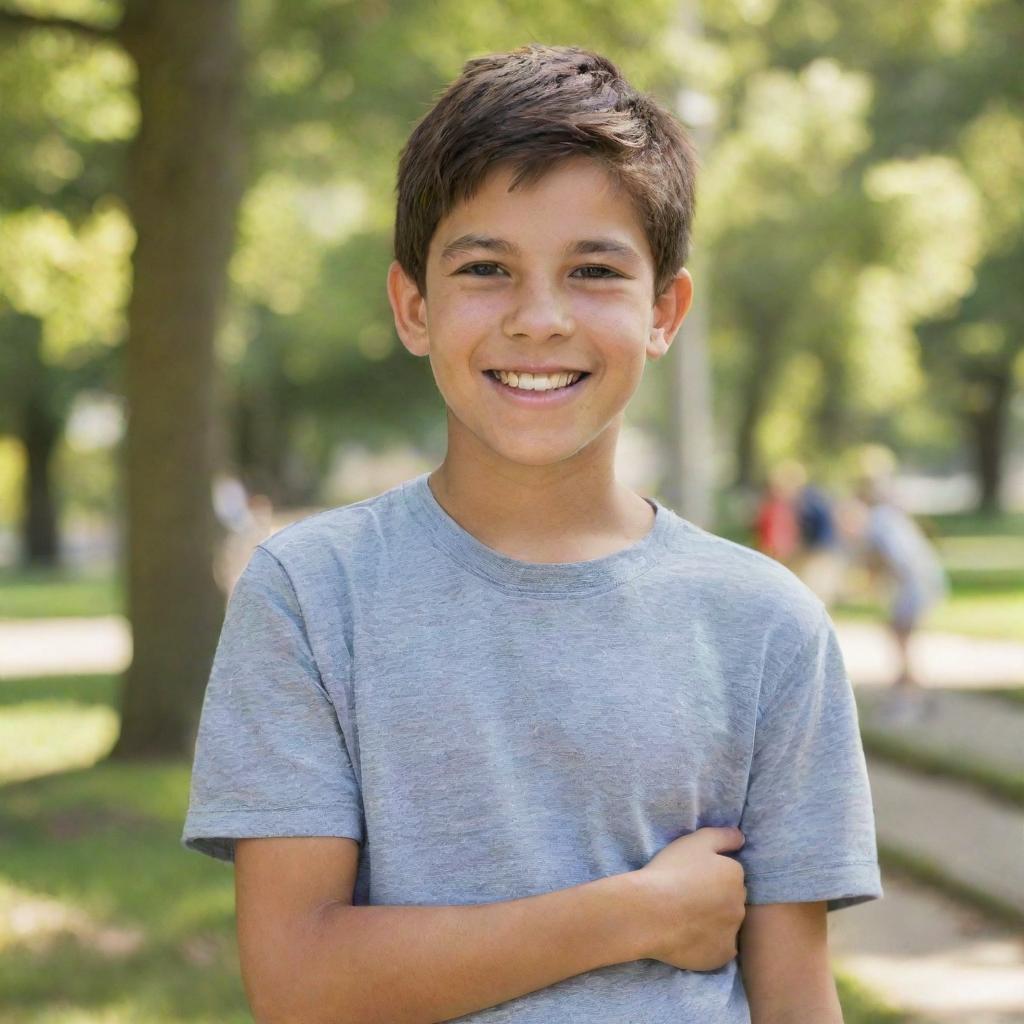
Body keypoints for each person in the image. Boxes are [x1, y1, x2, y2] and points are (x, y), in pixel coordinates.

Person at [182, 45, 881, 1024]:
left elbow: (796, 997)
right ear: (412, 306)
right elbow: (297, 982)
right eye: (485, 269)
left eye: (593, 270)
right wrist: (634, 913)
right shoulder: (310, 591)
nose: (539, 318)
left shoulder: (764, 624)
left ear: (664, 311)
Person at [854, 473, 948, 722]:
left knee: (902, 640)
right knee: (900, 637)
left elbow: (885, 558)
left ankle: (908, 699)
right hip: (924, 581)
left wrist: (870, 583)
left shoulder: (877, 520)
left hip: (913, 584)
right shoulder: (891, 516)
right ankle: (910, 691)